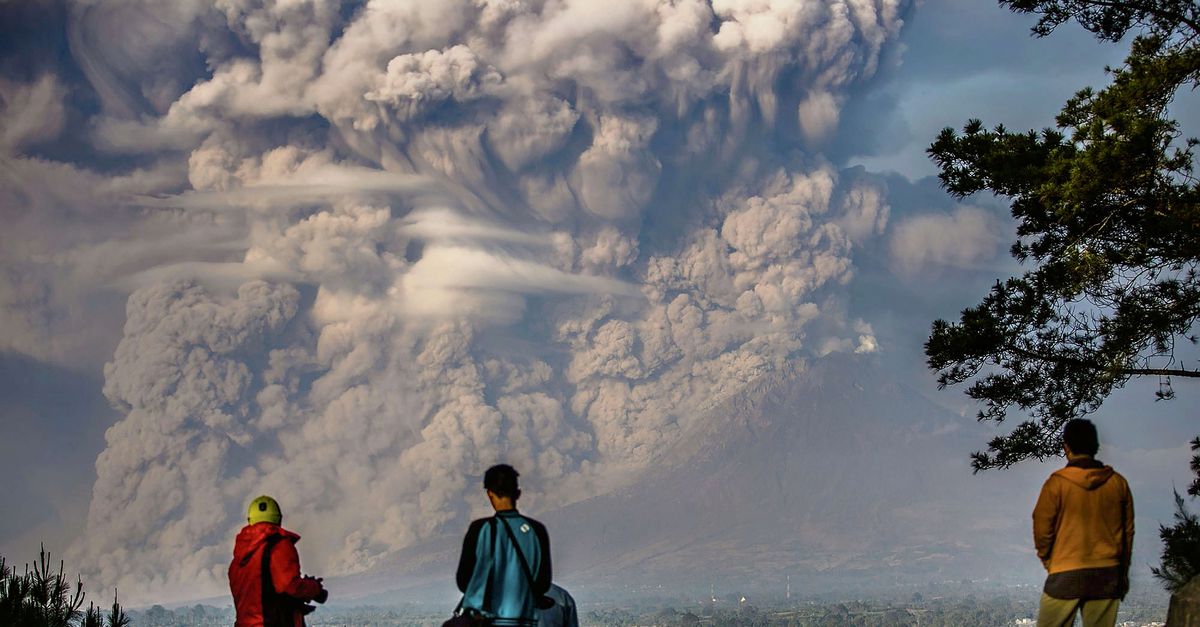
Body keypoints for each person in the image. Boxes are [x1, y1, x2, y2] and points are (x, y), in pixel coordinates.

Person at [1033, 419, 1134, 627]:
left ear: (1066, 447)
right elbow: (1127, 534)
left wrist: (1050, 562)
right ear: (1096, 447)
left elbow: (1042, 528)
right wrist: (1121, 572)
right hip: (1107, 574)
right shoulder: (1117, 483)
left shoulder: (1056, 484)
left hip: (1064, 572)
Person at [456, 464, 552, 627]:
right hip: (524, 620)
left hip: (483, 622)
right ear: (518, 494)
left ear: (490, 494)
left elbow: (463, 580)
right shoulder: (537, 531)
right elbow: (543, 583)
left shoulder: (480, 529)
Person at [229, 495, 328, 627]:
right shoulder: (279, 546)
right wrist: (314, 588)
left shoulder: (237, 562)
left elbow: (262, 591)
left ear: (249, 520)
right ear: (279, 519)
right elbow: (290, 585)